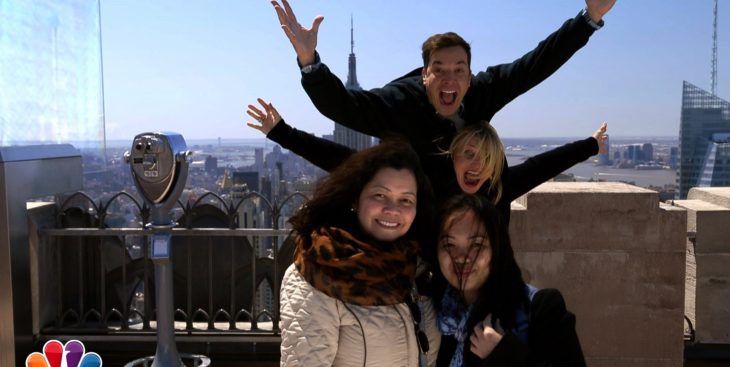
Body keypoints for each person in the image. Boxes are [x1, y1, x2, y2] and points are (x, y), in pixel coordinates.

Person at [270, 0, 616, 202]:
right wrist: (309, 62)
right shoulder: (401, 102)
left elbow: (536, 64)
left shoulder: (483, 91)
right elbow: (341, 106)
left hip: (474, 221)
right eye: (439, 70)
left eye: (459, 70)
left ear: (469, 75)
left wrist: (588, 20)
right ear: (425, 75)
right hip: (423, 219)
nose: (450, 79)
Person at [245, 98, 608, 223]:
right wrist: (282, 133)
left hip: (490, 294)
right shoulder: (427, 183)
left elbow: (549, 162)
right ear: (452, 158)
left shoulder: (502, 186)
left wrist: (591, 145)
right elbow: (351, 163)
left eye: (485, 158)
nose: (476, 165)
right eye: (468, 154)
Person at [279, 141, 441, 367]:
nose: (393, 209)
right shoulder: (320, 269)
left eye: (406, 200)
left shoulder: (416, 267)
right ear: (356, 198)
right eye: (380, 195)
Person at [434, 193, 594, 367]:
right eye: (449, 245)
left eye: (477, 245)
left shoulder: (538, 308)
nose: (462, 257)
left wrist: (502, 356)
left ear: (497, 249)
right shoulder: (438, 320)